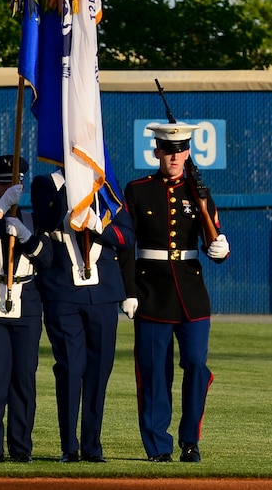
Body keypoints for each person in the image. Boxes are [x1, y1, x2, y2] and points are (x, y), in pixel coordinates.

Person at [121, 122, 230, 464]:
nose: (174, 156)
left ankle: (190, 439)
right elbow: (125, 246)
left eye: (180, 150)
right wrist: (128, 291)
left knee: (197, 363)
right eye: (168, 150)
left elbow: (214, 240)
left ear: (187, 153)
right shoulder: (138, 191)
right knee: (154, 371)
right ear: (156, 152)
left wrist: (220, 249)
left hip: (191, 293)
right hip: (150, 291)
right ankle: (158, 446)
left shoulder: (199, 191)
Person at [31, 168, 134, 463]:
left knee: (99, 371)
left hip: (102, 293)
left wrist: (97, 225)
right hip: (62, 290)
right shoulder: (46, 183)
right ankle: (69, 446)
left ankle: (92, 445)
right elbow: (46, 220)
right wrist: (72, 192)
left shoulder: (106, 186)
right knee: (70, 368)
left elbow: (126, 234)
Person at [0, 154, 52, 463]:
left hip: (26, 300)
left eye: (12, 183)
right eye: (1, 184)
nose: (6, 188)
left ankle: (21, 447)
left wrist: (28, 239)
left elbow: (47, 259)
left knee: (24, 377)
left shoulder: (33, 219)